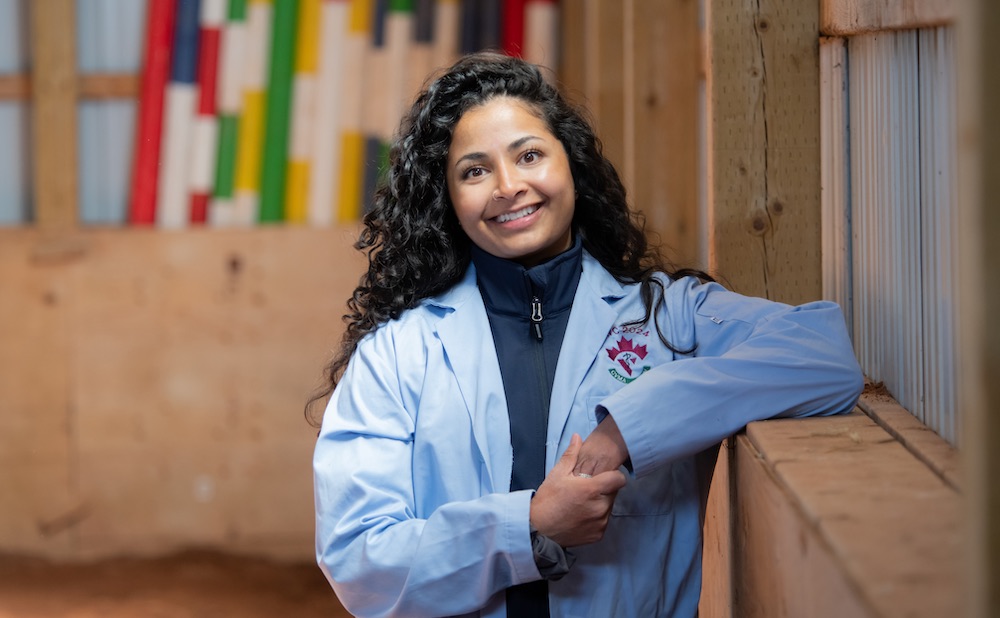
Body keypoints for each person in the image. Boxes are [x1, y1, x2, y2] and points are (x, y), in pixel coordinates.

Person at [309, 51, 863, 618]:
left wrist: (628, 427)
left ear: (570, 163)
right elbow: (358, 558)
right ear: (446, 200)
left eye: (529, 155)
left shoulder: (668, 317)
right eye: (474, 171)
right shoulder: (398, 353)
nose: (508, 186)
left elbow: (822, 355)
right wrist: (527, 528)